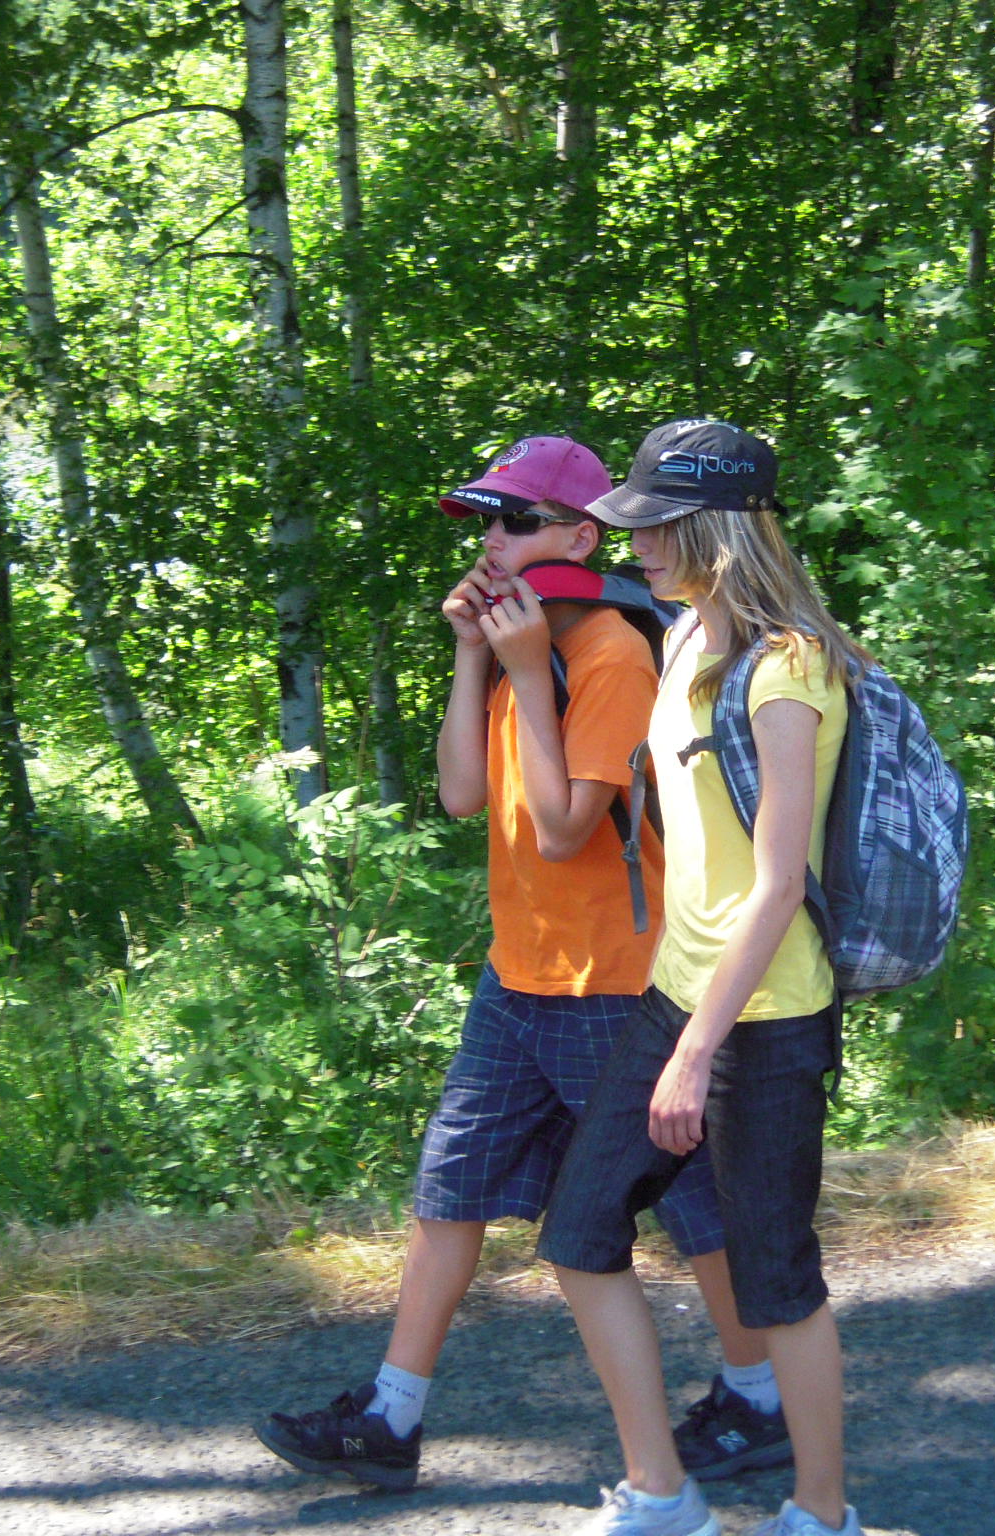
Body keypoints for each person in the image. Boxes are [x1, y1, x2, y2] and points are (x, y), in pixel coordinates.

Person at [257, 436, 784, 1489]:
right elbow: (461, 797)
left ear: (581, 539)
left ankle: (758, 1398)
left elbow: (560, 828)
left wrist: (526, 670)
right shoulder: (523, 645)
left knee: (691, 1208)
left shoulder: (609, 654)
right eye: (482, 521)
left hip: (615, 984)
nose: (490, 540)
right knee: (450, 1186)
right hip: (518, 975)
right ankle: (391, 1416)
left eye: (512, 520)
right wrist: (474, 656)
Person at [536, 419, 865, 1536]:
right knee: (581, 1233)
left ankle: (821, 1513)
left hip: (763, 1018)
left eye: (653, 526)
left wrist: (693, 1053)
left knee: (776, 1282)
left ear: (713, 530)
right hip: (679, 993)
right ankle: (660, 1493)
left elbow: (775, 886)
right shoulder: (680, 638)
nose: (634, 542)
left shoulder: (788, 668)